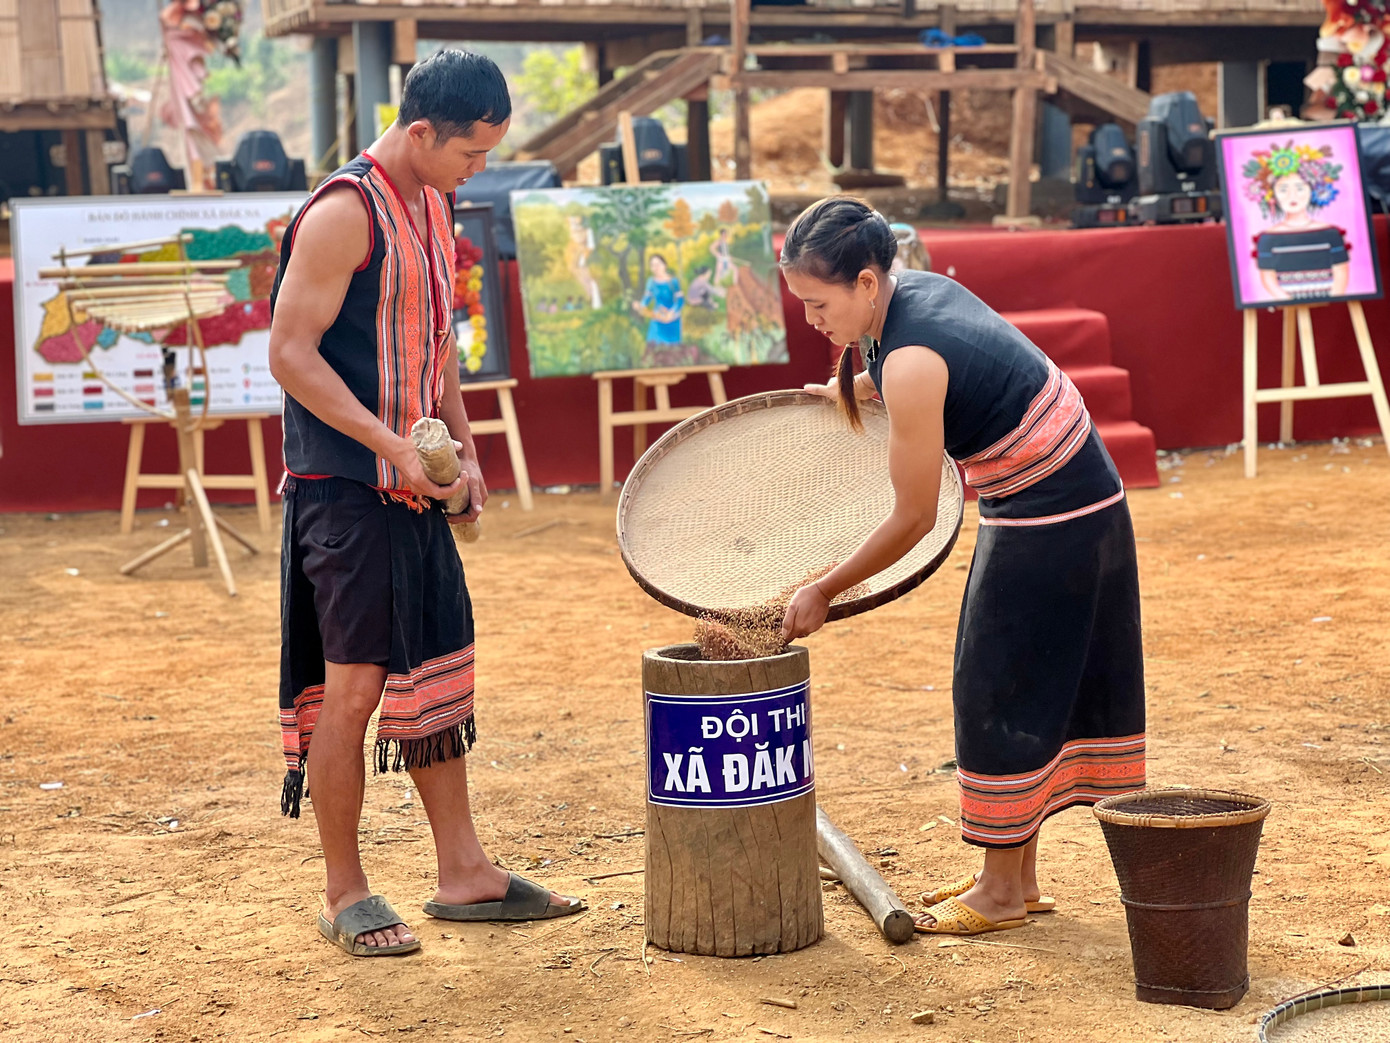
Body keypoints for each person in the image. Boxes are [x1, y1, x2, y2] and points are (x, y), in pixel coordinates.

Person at [268, 49, 584, 960]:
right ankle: (344, 890)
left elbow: (437, 345)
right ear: (418, 132)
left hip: (414, 480)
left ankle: (465, 871)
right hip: (345, 490)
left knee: (437, 672)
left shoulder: (434, 203)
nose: (479, 169)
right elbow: (289, 353)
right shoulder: (343, 212)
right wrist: (393, 445)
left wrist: (465, 453)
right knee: (355, 687)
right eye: (471, 152)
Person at [778, 197, 1146, 937]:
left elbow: (914, 515)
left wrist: (824, 588)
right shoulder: (912, 295)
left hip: (1055, 517)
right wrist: (853, 388)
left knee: (997, 687)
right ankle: (1015, 878)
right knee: (1025, 683)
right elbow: (947, 369)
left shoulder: (912, 360)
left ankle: (1001, 892)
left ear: (867, 283)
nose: (812, 320)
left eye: (818, 304)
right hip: (1070, 502)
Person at [1245, 140, 1351, 301]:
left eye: (1300, 188)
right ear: (1272, 195)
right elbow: (1268, 279)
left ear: (1313, 191)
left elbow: (1341, 273)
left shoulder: (1331, 233)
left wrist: (1332, 302)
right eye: (1283, 189)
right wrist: (1289, 301)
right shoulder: (1267, 239)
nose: (1292, 196)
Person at [633, 254, 684, 348]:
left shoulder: (673, 281)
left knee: (672, 350)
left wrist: (671, 312)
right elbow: (647, 298)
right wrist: (640, 305)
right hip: (657, 319)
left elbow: (680, 300)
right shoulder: (651, 282)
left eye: (658, 264)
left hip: (672, 320)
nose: (656, 268)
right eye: (652, 265)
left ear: (665, 265)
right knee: (654, 348)